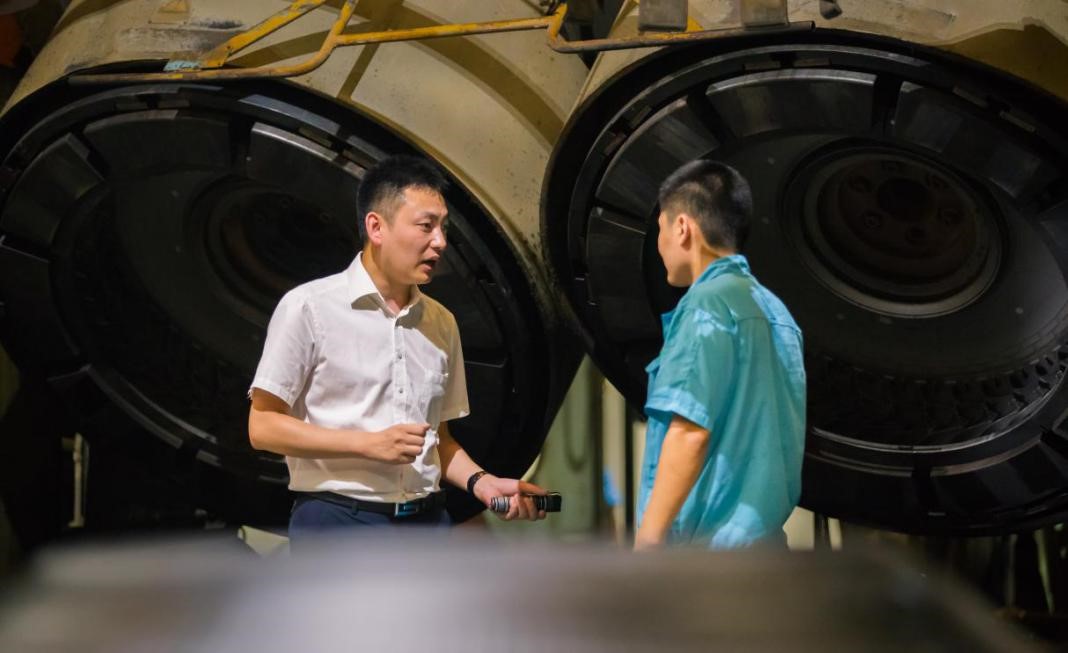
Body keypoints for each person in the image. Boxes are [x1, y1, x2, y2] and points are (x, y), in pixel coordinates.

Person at [248, 155, 545, 546]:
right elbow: (262, 426)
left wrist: (483, 483)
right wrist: (366, 444)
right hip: (337, 521)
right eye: (426, 225)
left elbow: (440, 440)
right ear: (377, 227)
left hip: (428, 523)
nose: (440, 241)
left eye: (443, 227)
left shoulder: (441, 322)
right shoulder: (308, 307)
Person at [633, 159, 806, 550]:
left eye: (660, 228)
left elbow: (689, 432)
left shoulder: (705, 307)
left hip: (708, 560)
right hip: (764, 552)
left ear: (682, 228)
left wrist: (647, 544)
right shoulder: (777, 313)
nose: (659, 245)